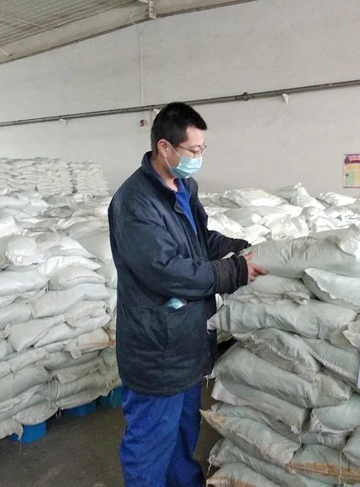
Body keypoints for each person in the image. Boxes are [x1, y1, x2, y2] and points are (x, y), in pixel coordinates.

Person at [108, 102, 267, 487]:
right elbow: (164, 270)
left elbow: (199, 240)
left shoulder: (184, 187)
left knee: (182, 433)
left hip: (187, 339)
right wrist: (234, 272)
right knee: (151, 441)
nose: (198, 158)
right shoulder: (134, 203)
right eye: (193, 150)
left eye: (202, 149)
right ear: (165, 147)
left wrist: (237, 248)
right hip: (156, 346)